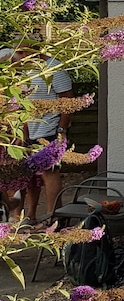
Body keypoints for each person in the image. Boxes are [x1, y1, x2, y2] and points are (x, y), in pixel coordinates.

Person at [0, 48, 74, 223]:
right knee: (29, 175)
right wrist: (22, 134)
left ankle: (53, 218)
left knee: (50, 173)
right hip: (28, 131)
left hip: (49, 130)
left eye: (21, 55)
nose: (19, 60)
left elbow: (68, 102)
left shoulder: (54, 68)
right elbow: (23, 106)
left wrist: (61, 130)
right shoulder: (26, 71)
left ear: (30, 50)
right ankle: (28, 216)